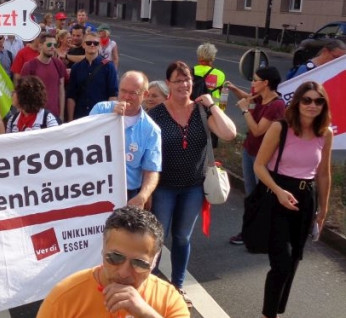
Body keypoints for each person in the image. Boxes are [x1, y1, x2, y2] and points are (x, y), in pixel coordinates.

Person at [147, 61, 237, 307]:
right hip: (164, 186)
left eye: (186, 79)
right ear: (168, 84)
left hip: (193, 187)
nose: (183, 85)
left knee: (182, 237)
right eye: (177, 80)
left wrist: (212, 106)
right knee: (157, 238)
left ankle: (177, 287)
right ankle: (150, 286)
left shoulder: (201, 112)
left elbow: (229, 134)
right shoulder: (156, 114)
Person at [254, 81, 332, 318]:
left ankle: (275, 309)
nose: (312, 105)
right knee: (282, 263)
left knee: (294, 260)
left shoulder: (325, 133)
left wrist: (323, 210)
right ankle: (269, 315)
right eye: (307, 100)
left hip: (305, 198)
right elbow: (259, 165)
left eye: (318, 101)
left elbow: (323, 174)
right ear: (297, 102)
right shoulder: (281, 128)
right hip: (278, 195)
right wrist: (278, 190)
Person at [37, 206, 189, 318]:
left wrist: (145, 313)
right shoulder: (64, 298)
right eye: (115, 257)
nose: (124, 272)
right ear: (103, 250)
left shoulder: (169, 300)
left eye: (139, 263)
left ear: (154, 261)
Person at [226, 67, 286, 245]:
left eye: (255, 80)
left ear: (266, 83)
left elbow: (258, 130)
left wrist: (244, 111)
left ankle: (263, 233)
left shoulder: (276, 105)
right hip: (249, 151)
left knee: (263, 197)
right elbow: (248, 99)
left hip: (263, 158)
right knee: (251, 195)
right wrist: (235, 89)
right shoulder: (261, 98)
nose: (252, 83)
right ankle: (250, 232)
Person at [90, 71, 161, 207]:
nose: (126, 97)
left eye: (133, 93)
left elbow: (152, 169)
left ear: (144, 95)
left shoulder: (151, 130)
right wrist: (110, 119)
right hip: (95, 189)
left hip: (127, 194)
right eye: (123, 91)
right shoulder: (100, 110)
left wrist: (143, 196)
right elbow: (84, 141)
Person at [66, 31, 118, 121]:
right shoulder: (76, 68)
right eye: (89, 43)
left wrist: (109, 119)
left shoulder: (109, 67)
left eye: (96, 43)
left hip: (100, 117)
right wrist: (70, 121)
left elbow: (112, 95)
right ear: (83, 45)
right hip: (80, 116)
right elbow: (71, 97)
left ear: (99, 46)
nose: (92, 45)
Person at [21, 33, 67, 119]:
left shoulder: (58, 64)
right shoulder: (29, 66)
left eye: (55, 45)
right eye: (49, 44)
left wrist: (61, 115)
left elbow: (61, 90)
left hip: (54, 115)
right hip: (34, 116)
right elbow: (23, 93)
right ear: (40, 45)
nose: (52, 47)